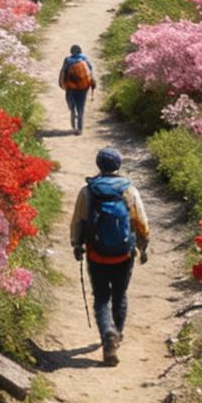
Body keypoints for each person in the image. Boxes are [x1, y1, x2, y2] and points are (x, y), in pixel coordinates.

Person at [71, 148, 150, 366]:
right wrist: (143, 245)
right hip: (123, 255)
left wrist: (77, 244)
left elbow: (78, 221)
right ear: (118, 165)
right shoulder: (129, 190)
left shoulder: (87, 191)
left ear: (99, 165)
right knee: (120, 295)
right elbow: (141, 222)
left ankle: (107, 333)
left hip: (96, 254)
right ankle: (117, 334)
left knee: (101, 298)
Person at [58, 43, 95, 134]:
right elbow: (90, 72)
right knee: (81, 107)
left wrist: (62, 84)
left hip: (71, 88)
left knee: (71, 105)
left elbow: (63, 72)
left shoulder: (67, 60)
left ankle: (73, 120)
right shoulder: (85, 59)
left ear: (71, 52)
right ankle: (80, 129)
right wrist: (92, 84)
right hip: (83, 88)